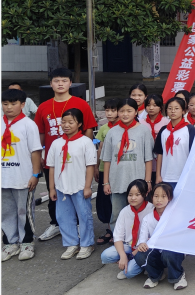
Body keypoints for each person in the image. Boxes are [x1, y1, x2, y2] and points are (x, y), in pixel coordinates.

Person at [34, 68, 96, 241]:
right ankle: (56, 224)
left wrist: (84, 153)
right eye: (56, 80)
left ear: (70, 83)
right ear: (51, 84)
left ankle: (79, 225)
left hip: (76, 160)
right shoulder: (43, 107)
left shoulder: (81, 104)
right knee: (54, 192)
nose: (60, 84)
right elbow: (40, 133)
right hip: (53, 159)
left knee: (78, 192)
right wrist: (39, 156)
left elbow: (89, 128)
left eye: (64, 80)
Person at [46, 108, 97, 260]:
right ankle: (71, 243)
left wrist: (87, 187)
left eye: (71, 122)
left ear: (79, 123)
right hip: (62, 187)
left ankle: (87, 244)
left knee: (84, 216)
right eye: (63, 122)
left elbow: (90, 166)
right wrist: (52, 188)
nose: (66, 125)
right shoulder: (56, 143)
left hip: (79, 187)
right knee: (64, 217)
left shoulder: (85, 142)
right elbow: (51, 167)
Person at [1, 88, 42, 262]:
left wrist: (35, 174)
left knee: (24, 211)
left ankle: (26, 242)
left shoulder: (28, 125)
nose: (9, 107)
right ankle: (10, 242)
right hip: (4, 177)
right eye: (5, 104)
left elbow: (35, 151)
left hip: (23, 177)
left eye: (13, 104)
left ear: (23, 104)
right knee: (6, 212)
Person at [102, 98, 154, 233]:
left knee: (141, 213)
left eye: (129, 111)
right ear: (117, 112)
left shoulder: (144, 131)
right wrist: (106, 182)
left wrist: (148, 181)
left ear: (136, 112)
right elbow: (107, 159)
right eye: (122, 111)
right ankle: (118, 239)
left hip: (138, 180)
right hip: (117, 180)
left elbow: (148, 158)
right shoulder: (112, 132)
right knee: (117, 214)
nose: (125, 114)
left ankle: (141, 239)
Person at [133, 183, 187, 289]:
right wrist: (142, 244)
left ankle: (178, 276)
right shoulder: (147, 218)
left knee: (168, 253)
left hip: (172, 250)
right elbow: (142, 239)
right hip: (156, 251)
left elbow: (180, 238)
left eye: (163, 196)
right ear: (151, 197)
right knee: (140, 255)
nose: (159, 200)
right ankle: (156, 275)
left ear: (170, 198)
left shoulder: (176, 216)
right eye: (156, 196)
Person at [100, 179, 152, 279]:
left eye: (137, 194)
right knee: (105, 256)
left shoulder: (151, 210)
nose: (133, 198)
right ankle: (131, 262)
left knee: (129, 273)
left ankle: (143, 264)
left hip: (145, 248)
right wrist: (123, 255)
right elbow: (118, 237)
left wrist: (132, 255)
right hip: (129, 245)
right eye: (130, 195)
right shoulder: (125, 211)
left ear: (145, 194)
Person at [153, 98, 195, 191]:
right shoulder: (163, 130)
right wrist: (158, 175)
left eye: (176, 108)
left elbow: (193, 153)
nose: (173, 111)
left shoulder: (189, 129)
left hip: (183, 176)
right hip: (165, 176)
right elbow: (160, 154)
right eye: (170, 108)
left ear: (183, 111)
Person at [95, 99, 119, 246]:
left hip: (118, 169)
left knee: (118, 201)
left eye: (113, 110)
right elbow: (100, 148)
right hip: (105, 168)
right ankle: (110, 230)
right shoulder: (104, 128)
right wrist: (97, 167)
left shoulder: (122, 128)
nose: (109, 113)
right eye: (107, 110)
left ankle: (119, 232)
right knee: (106, 201)